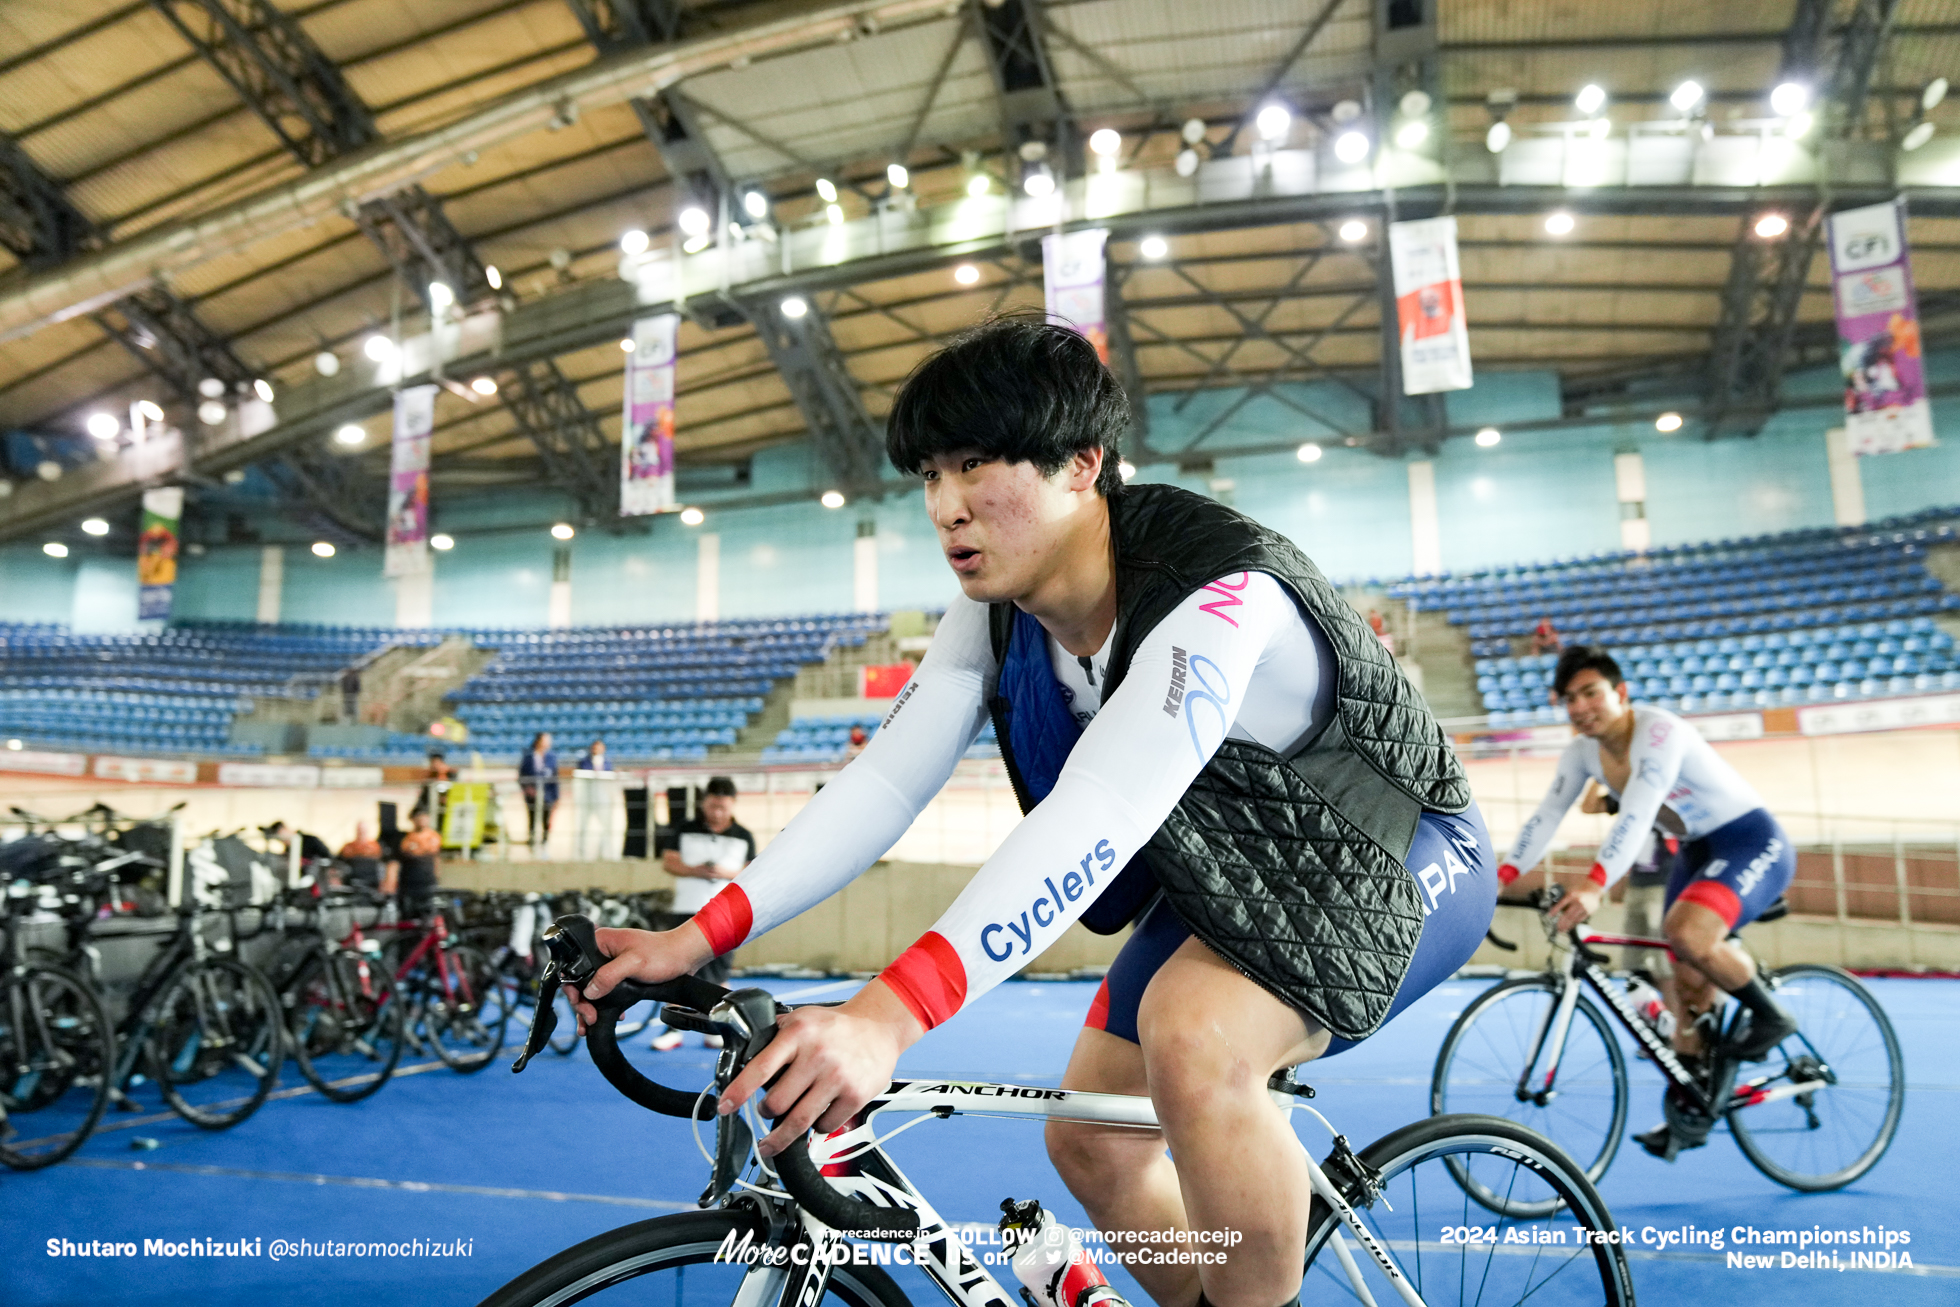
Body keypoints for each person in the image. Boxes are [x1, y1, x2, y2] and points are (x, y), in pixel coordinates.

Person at [566, 317, 1494, 1307]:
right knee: (1093, 1135)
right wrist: (698, 932)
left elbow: (1101, 805)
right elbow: (885, 780)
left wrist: (885, 1016)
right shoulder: (995, 609)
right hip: (1229, 874)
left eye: (973, 465)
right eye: (928, 474)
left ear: (1082, 464)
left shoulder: (1217, 591)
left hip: (1395, 853)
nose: (944, 506)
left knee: (1196, 1039)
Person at [1498, 644, 1798, 1160]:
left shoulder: (1660, 732)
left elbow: (1636, 814)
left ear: (1620, 693)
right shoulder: (1581, 753)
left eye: (1590, 693)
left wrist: (1593, 884)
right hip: (1698, 850)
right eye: (1569, 698)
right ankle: (1697, 1106)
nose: (1579, 707)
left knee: (1687, 935)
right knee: (1684, 977)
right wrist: (1500, 878)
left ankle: (1774, 1017)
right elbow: (1545, 817)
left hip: (1748, 839)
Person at [646, 776, 755, 1051]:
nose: (717, 812)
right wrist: (697, 870)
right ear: (704, 802)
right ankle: (673, 1028)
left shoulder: (744, 836)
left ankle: (717, 1029)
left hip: (726, 913)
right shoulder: (684, 828)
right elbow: (669, 862)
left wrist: (725, 873)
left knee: (718, 974)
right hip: (686, 909)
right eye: (712, 806)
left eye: (723, 807)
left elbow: (752, 872)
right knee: (678, 971)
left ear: (732, 805)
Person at [383, 809, 443, 913]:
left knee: (428, 913)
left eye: (424, 817)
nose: (422, 820)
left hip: (428, 882)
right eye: (419, 817)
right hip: (409, 883)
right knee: (407, 913)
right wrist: (389, 882)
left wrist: (437, 876)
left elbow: (437, 858)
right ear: (413, 819)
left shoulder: (434, 837)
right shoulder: (404, 839)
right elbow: (394, 862)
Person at [517, 732, 559, 845]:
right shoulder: (528, 757)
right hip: (532, 795)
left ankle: (545, 841)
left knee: (546, 819)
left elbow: (555, 777)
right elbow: (522, 776)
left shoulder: (551, 757)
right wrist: (527, 789)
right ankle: (531, 840)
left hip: (548, 794)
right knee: (532, 818)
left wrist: (556, 796)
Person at [337, 821, 385, 890]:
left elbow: (382, 866)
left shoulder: (375, 847)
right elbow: (338, 862)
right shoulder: (348, 847)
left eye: (363, 831)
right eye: (360, 830)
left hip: (371, 881)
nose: (361, 833)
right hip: (352, 880)